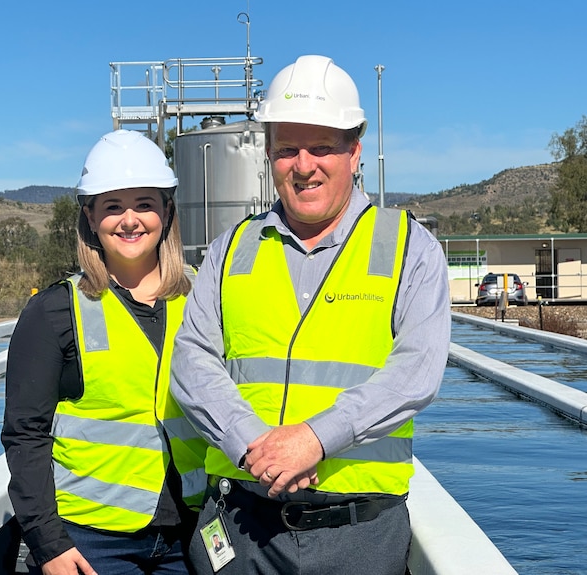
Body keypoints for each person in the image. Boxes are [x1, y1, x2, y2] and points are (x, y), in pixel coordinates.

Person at [170, 55, 451, 574]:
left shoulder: (408, 247)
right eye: (286, 150)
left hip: (359, 536)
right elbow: (191, 359)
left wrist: (314, 439)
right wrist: (252, 446)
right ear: (268, 156)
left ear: (354, 151)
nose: (303, 165)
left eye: (321, 147)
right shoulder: (232, 248)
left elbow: (417, 371)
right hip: (241, 527)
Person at [1, 129, 207, 575]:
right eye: (113, 206)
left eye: (145, 204)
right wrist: (47, 543)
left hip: (191, 536)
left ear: (167, 212)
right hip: (92, 545)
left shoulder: (206, 297)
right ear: (90, 218)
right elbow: (25, 436)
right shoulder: (55, 311)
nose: (129, 220)